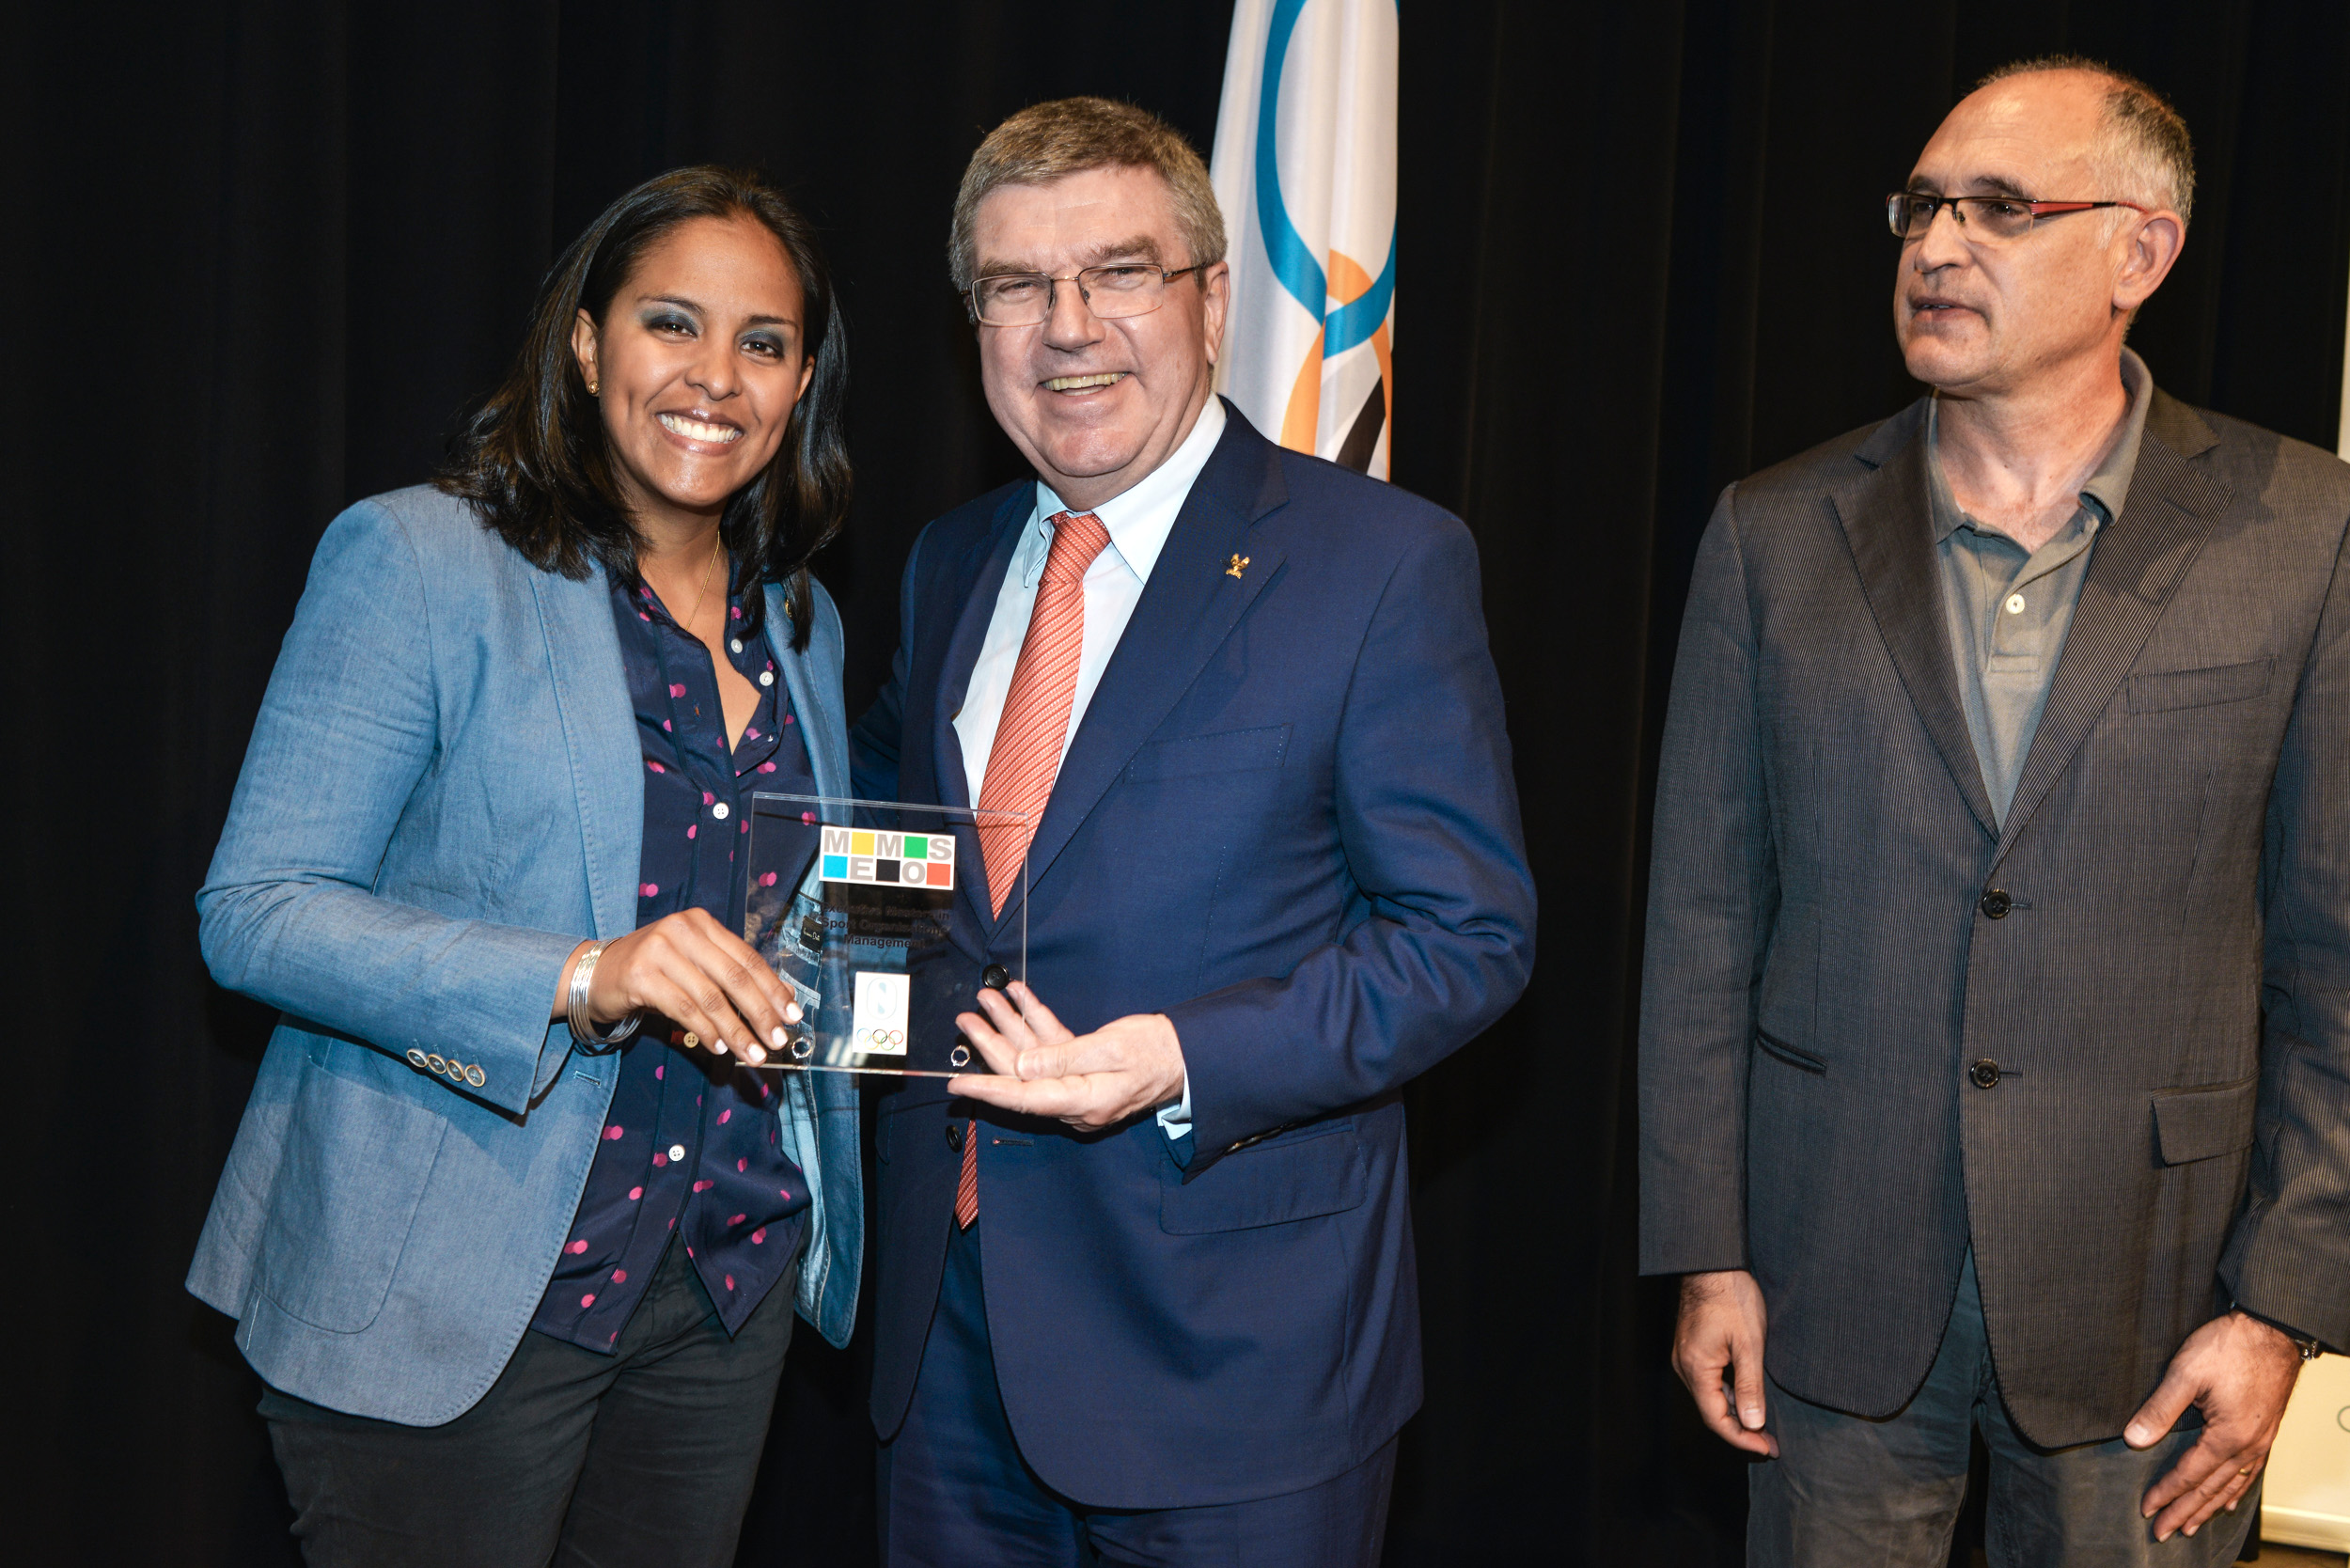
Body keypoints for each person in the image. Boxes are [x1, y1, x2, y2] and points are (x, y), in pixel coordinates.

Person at [1641, 56, 2350, 1566]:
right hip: (1830, 1274)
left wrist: (2286, 1304)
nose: (1937, 245)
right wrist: (1707, 1252)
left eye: (2002, 209)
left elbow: (2335, 955)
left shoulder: (2307, 532)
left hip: (2154, 1298)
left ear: (2139, 255)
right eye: (1922, 207)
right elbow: (1700, 921)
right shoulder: (1773, 534)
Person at [848, 97, 1535, 1565]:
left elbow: (1466, 938)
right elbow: (908, 877)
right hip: (948, 1351)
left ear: (1212, 299)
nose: (1067, 326)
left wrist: (1178, 1058)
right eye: (1018, 286)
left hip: (1234, 1371)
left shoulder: (1378, 564)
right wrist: (822, 984)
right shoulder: (945, 563)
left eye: (1118, 274)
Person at [187, 166, 863, 1568]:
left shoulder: (803, 623)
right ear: (586, 341)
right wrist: (579, 974)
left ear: (803, 381)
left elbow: (814, 922)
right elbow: (256, 915)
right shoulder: (423, 560)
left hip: (721, 1291)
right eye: (672, 323)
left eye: (764, 343)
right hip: (459, 1285)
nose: (716, 379)